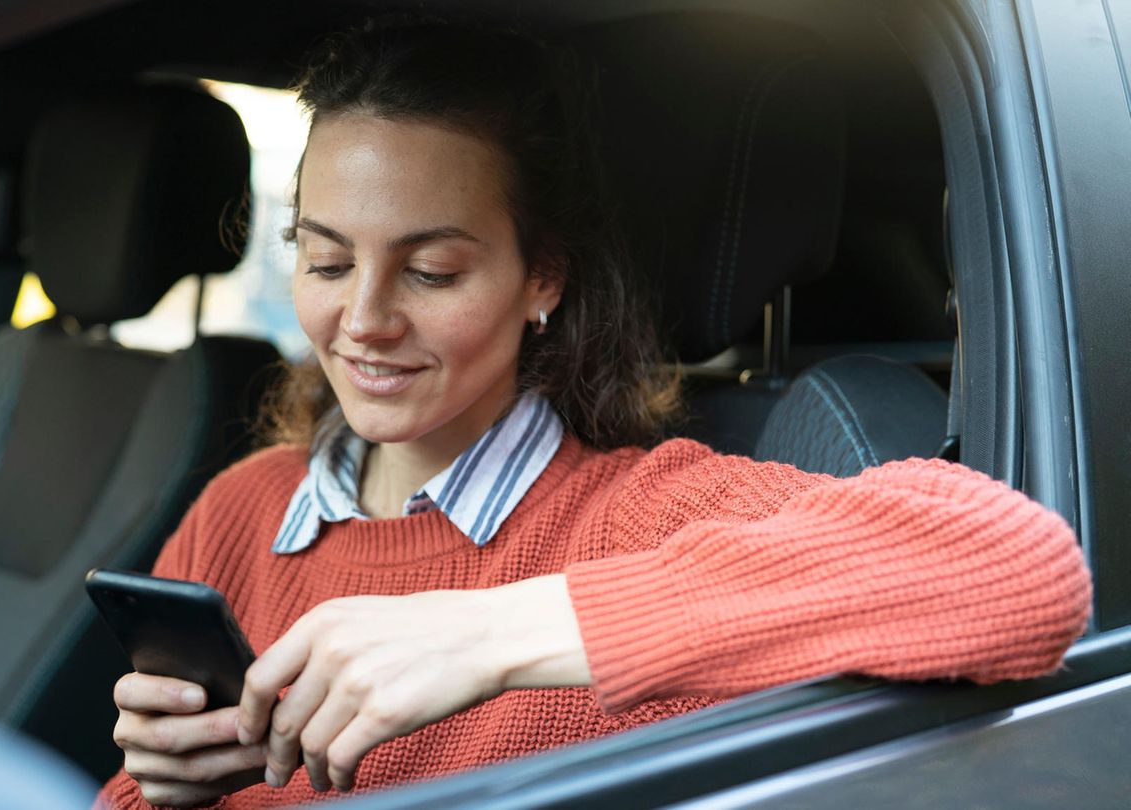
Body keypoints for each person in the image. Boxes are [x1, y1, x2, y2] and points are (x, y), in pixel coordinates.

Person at [97, 17, 1091, 810]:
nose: (361, 320)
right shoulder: (242, 511)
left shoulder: (633, 517)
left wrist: (485, 635)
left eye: (431, 270)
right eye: (324, 260)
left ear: (545, 279)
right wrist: (158, 790)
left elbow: (1019, 568)